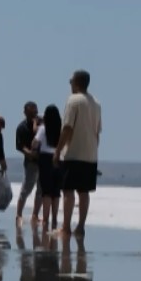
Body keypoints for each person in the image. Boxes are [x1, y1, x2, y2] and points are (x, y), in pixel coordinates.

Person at [57, 71, 103, 240]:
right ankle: (81, 226)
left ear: (76, 83)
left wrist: (57, 151)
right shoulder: (96, 103)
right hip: (90, 154)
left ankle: (66, 227)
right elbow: (97, 131)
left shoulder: (73, 101)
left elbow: (67, 128)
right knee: (84, 192)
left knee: (68, 191)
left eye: (71, 82)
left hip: (73, 153)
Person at [32, 96, 62, 231]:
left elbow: (35, 143)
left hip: (45, 159)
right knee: (56, 191)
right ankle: (55, 219)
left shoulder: (43, 129)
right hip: (59, 158)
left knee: (46, 192)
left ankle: (46, 218)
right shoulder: (61, 129)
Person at [13, 102, 41, 219]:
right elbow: (19, 145)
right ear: (25, 113)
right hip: (30, 162)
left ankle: (35, 214)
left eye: (34, 112)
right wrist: (28, 153)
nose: (33, 114)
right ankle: (19, 213)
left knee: (41, 189)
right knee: (27, 188)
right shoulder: (21, 127)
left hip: (43, 161)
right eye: (30, 112)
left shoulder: (42, 125)